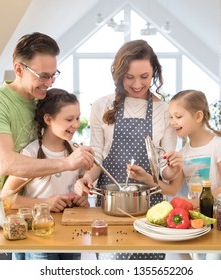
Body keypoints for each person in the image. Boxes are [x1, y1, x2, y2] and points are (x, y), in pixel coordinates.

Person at [0, 32, 94, 260]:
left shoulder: (43, 102)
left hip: (30, 215)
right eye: (43, 76)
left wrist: (80, 178)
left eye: (53, 75)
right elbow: (5, 163)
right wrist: (67, 163)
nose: (49, 83)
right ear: (19, 70)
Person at [74, 39, 178, 260]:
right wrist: (86, 178)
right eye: (129, 77)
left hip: (152, 206)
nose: (138, 84)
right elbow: (98, 156)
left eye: (145, 77)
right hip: (111, 206)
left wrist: (172, 168)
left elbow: (164, 170)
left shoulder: (166, 110)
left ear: (155, 73)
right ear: (118, 74)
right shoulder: (102, 106)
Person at [128, 89, 221, 260]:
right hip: (195, 221)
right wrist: (147, 179)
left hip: (218, 220)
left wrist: (191, 203)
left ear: (198, 116)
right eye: (170, 117)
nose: (172, 122)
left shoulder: (220, 146)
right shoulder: (183, 152)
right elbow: (172, 190)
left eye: (178, 117)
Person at [2, 88, 89, 260]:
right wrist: (45, 203)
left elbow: (81, 188)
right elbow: (6, 198)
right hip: (40, 236)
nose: (76, 124)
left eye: (78, 118)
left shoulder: (76, 152)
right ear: (48, 119)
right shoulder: (31, 154)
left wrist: (82, 197)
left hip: (70, 234)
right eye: (69, 119)